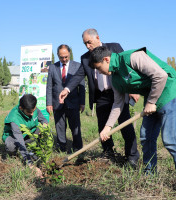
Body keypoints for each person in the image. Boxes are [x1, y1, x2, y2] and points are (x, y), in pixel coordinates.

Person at [89, 46, 176, 189]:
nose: (99, 72)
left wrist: (151, 102)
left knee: (171, 140)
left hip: (169, 90)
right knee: (146, 137)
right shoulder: (115, 78)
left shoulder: (132, 57)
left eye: (98, 68)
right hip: (152, 96)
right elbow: (118, 104)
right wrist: (107, 127)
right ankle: (150, 174)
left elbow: (160, 75)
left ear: (106, 59)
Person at [59, 29, 139, 166]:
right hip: (101, 95)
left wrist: (132, 88)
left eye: (89, 42)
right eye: (85, 44)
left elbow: (127, 66)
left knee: (125, 124)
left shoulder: (114, 47)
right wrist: (66, 89)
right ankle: (109, 153)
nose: (87, 46)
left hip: (118, 91)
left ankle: (132, 156)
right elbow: (79, 75)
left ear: (97, 37)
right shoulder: (85, 58)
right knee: (103, 126)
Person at [46, 44, 85, 152]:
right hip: (57, 103)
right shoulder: (53, 67)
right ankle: (61, 148)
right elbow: (49, 86)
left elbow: (81, 86)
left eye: (66, 57)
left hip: (73, 102)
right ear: (58, 55)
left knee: (75, 127)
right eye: (61, 57)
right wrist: (49, 103)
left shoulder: (78, 66)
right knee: (60, 127)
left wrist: (82, 102)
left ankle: (78, 148)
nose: (64, 59)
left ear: (70, 54)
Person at [2, 94, 48, 177]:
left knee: (47, 130)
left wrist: (44, 126)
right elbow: (20, 140)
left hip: (29, 133)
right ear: (21, 108)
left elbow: (43, 119)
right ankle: (16, 153)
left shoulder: (32, 107)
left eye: (34, 111)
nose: (32, 114)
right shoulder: (14, 118)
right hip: (14, 136)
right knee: (11, 146)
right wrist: (30, 165)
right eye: (29, 112)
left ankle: (30, 148)